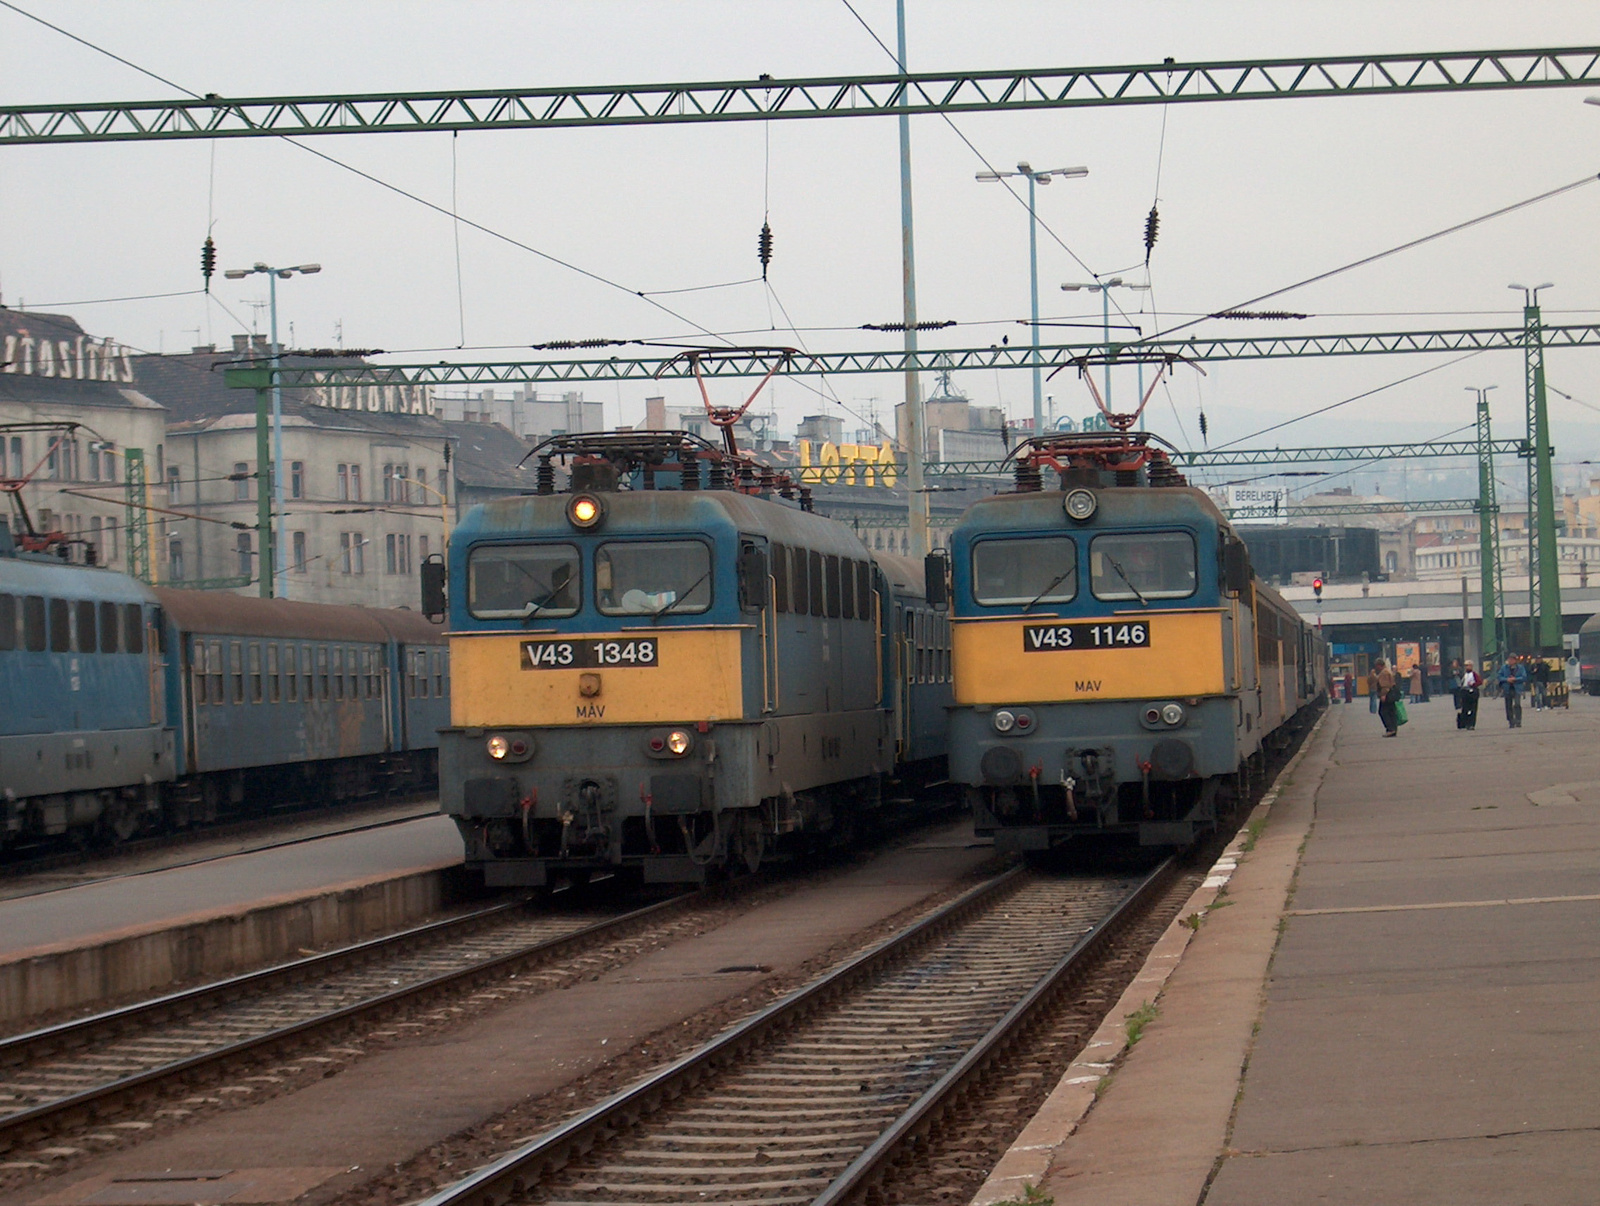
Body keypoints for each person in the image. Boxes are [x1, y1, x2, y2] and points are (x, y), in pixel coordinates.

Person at [1374, 658, 1400, 737]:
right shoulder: (1388, 671)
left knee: (1383, 712)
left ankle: (1390, 729)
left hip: (1387, 694)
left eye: (1376, 666)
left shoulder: (1384, 673)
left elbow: (1385, 685)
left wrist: (1383, 695)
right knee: (1392, 712)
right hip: (1391, 693)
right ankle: (1394, 729)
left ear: (1379, 665)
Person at [1499, 656, 1525, 728]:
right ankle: (1511, 721)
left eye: (1512, 659)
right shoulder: (1504, 668)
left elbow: (1524, 677)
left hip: (1517, 688)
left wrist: (1515, 679)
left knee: (1517, 704)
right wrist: (1506, 679)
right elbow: (1499, 676)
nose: (1510, 661)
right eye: (1509, 659)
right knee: (1508, 705)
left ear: (1515, 660)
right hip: (1507, 688)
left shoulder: (1520, 668)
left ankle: (1518, 720)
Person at [1458, 662, 1482, 730]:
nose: (1467, 667)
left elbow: (1479, 682)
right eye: (1466, 666)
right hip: (1465, 692)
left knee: (1473, 709)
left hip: (1472, 692)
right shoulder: (1464, 674)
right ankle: (1465, 723)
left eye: (1468, 665)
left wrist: (1473, 684)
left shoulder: (1474, 674)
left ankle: (1471, 724)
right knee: (1465, 708)